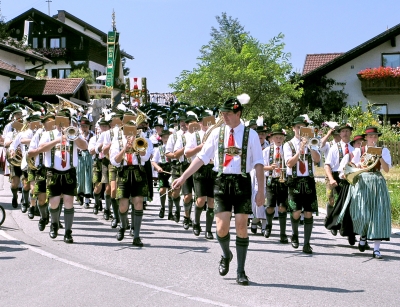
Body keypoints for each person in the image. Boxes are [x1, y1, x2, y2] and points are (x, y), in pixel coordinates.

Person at [172, 95, 264, 286]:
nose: (224, 117)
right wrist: (183, 177)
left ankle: (241, 271)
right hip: (221, 182)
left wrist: (260, 191)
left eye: (227, 113)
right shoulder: (217, 133)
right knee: (221, 229)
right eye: (222, 113)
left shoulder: (251, 135)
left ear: (238, 113)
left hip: (242, 182)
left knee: (241, 226)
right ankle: (226, 254)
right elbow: (201, 158)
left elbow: (258, 164)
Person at [338, 126, 391, 259]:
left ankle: (377, 249)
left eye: (375, 136)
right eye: (370, 136)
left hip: (377, 182)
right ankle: (363, 236)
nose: (373, 138)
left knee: (378, 215)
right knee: (362, 213)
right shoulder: (359, 150)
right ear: (366, 138)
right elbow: (354, 166)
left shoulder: (384, 150)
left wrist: (379, 157)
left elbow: (387, 169)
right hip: (362, 181)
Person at [37, 109, 88, 243]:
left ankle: (68, 232)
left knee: (68, 202)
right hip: (53, 172)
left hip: (69, 171)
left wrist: (74, 136)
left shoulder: (74, 134)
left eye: (65, 121)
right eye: (60, 121)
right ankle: (54, 223)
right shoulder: (49, 134)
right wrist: (58, 140)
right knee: (53, 203)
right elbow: (40, 148)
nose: (62, 125)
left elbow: (85, 147)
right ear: (56, 122)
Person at [109, 120, 152, 247]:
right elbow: (114, 161)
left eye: (132, 130)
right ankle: (123, 225)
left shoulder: (144, 140)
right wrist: (124, 149)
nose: (129, 133)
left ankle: (137, 236)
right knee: (123, 205)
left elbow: (145, 157)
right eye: (127, 130)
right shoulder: (117, 142)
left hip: (138, 172)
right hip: (123, 172)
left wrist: (137, 147)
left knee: (138, 203)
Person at [283, 115, 320, 254]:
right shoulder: (288, 144)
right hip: (294, 180)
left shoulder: (312, 142)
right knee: (296, 211)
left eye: (303, 128)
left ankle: (307, 243)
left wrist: (309, 146)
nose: (300, 131)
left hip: (308, 179)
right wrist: (300, 150)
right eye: (298, 128)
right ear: (294, 128)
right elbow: (289, 163)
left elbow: (317, 160)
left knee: (309, 212)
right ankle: (294, 234)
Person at [324, 124, 357, 245]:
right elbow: (327, 165)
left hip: (351, 177)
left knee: (350, 205)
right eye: (343, 131)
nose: (345, 133)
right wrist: (331, 179)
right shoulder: (334, 147)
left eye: (347, 131)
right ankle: (332, 222)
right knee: (335, 202)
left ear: (350, 133)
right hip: (336, 177)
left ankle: (350, 233)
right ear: (339, 134)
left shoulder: (355, 148)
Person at [184, 112, 215, 239]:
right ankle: (196, 222)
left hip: (213, 168)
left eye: (210, 122)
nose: (208, 124)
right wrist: (200, 147)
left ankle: (208, 229)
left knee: (212, 201)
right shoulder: (194, 135)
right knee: (201, 199)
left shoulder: (216, 135)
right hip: (199, 168)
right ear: (200, 123)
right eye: (205, 122)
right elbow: (187, 153)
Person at [27, 113, 56, 231]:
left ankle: (55, 221)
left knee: (56, 198)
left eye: (51, 121)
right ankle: (44, 217)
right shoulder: (38, 135)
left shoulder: (60, 134)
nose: (48, 124)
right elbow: (31, 152)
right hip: (41, 168)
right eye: (46, 122)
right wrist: (41, 150)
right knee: (41, 197)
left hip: (56, 169)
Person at [262, 126, 289, 243]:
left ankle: (283, 233)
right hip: (271, 180)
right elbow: (261, 166)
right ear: (272, 138)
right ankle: (268, 225)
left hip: (283, 181)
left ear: (283, 138)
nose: (278, 139)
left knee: (282, 207)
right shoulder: (267, 151)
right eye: (276, 137)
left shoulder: (287, 149)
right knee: (270, 206)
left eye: (281, 137)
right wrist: (270, 167)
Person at [89, 118, 111, 219]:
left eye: (105, 126)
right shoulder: (94, 138)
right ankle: (97, 203)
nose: (104, 128)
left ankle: (107, 209)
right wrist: (102, 143)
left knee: (108, 188)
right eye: (102, 126)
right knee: (97, 187)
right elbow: (92, 152)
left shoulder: (112, 137)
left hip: (107, 162)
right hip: (98, 162)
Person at [151, 129, 173, 219]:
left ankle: (170, 212)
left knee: (171, 191)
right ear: (161, 138)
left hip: (171, 169)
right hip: (162, 169)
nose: (166, 139)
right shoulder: (158, 149)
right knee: (162, 190)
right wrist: (158, 168)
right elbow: (153, 161)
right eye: (164, 137)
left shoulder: (173, 148)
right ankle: (163, 207)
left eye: (168, 137)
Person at [77, 117, 95, 209]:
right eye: (82, 126)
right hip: (79, 157)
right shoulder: (77, 134)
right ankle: (79, 195)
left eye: (86, 126)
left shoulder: (92, 135)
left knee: (88, 177)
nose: (84, 128)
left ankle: (87, 200)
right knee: (79, 177)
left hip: (88, 157)